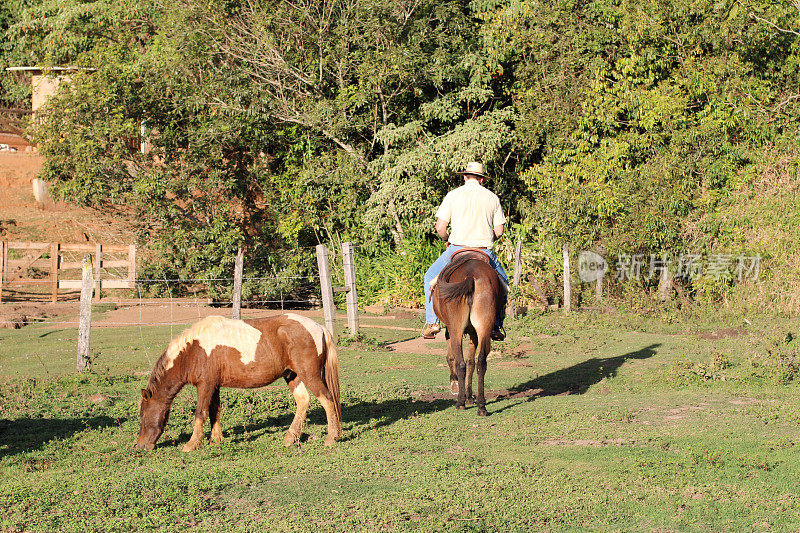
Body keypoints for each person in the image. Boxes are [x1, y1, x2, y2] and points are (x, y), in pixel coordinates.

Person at [422, 162, 509, 340]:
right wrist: (487, 238)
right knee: (504, 282)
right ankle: (497, 324)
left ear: (464, 176)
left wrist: (446, 240)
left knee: (429, 276)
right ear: (482, 178)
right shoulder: (492, 197)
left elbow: (440, 227)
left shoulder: (453, 195)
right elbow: (499, 231)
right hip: (484, 251)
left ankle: (432, 322)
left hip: (456, 248)